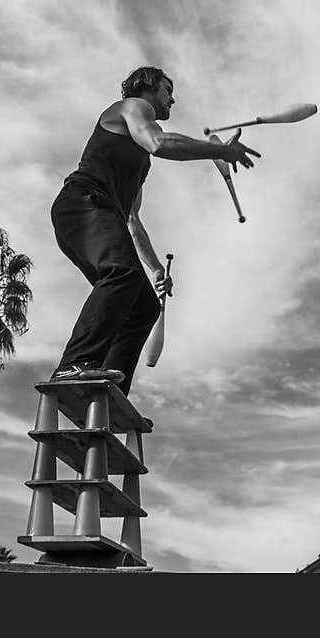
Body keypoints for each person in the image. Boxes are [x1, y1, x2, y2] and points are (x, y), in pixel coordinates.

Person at [49, 66, 260, 396]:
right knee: (122, 275)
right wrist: (219, 151)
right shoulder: (134, 108)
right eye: (167, 89)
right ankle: (74, 365)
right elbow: (159, 142)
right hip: (83, 202)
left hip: (99, 214)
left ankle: (106, 391)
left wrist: (157, 269)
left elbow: (132, 220)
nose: (172, 98)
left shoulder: (139, 164)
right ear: (147, 86)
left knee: (143, 305)